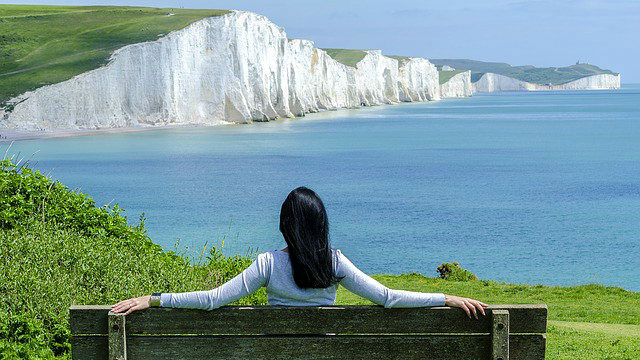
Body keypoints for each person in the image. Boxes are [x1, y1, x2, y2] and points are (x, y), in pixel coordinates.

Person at [112, 187, 488, 318]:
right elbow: (388, 298)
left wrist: (154, 299)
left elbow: (212, 300)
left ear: (285, 225)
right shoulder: (335, 262)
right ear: (321, 225)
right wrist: (446, 297)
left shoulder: (268, 264)